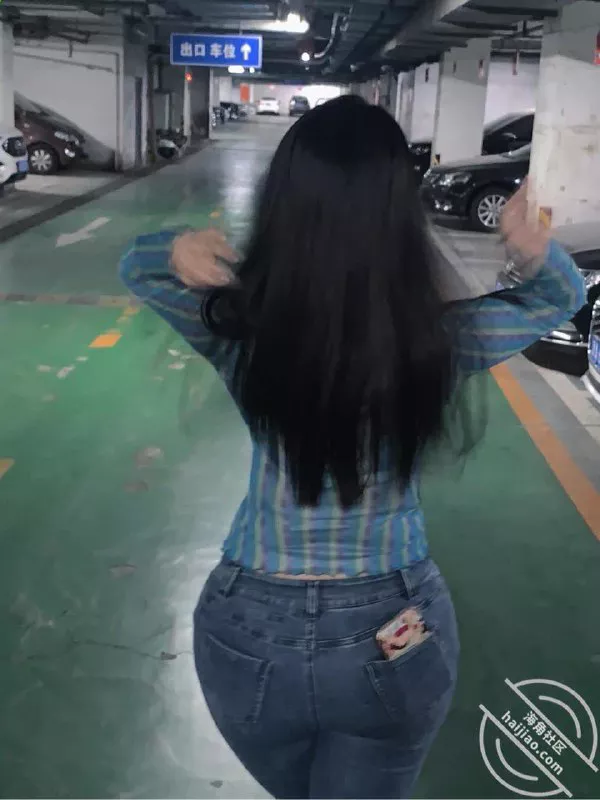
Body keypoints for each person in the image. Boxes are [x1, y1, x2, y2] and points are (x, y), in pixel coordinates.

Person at [120, 95, 585, 799]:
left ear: (283, 205)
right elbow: (556, 300)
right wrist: (533, 250)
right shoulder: (438, 341)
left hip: (247, 629)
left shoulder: (242, 330)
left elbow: (138, 268)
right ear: (399, 215)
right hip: (392, 627)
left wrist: (176, 247)